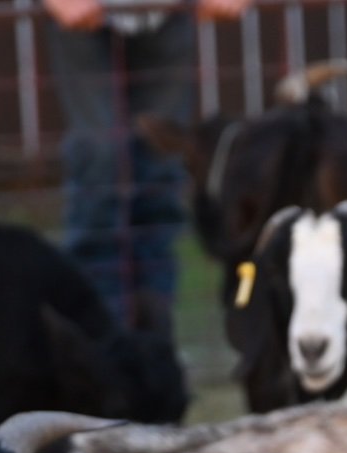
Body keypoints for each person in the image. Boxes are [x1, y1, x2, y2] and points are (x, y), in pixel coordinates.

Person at [40, 0, 249, 332]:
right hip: (80, 16)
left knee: (160, 163)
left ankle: (154, 334)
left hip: (168, 13)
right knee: (99, 159)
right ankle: (98, 332)